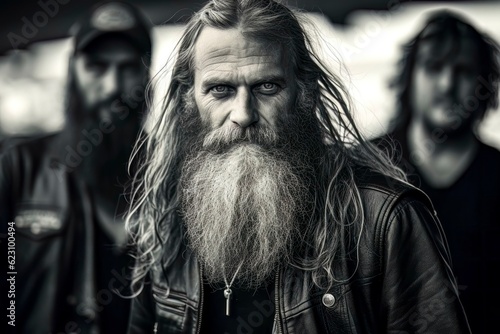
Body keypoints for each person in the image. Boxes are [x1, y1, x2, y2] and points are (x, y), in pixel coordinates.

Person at [125, 1, 470, 333]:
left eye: (267, 86)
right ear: (190, 100)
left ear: (305, 93)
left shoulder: (386, 220)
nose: (243, 114)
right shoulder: (165, 217)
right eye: (220, 90)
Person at [0, 1, 152, 333]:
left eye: (128, 68)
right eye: (97, 67)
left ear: (146, 74)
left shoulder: (171, 171)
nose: (113, 87)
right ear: (73, 72)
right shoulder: (20, 169)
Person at [375, 10, 500, 333]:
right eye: (434, 67)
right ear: (409, 76)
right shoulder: (364, 168)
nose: (447, 84)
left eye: (464, 71)